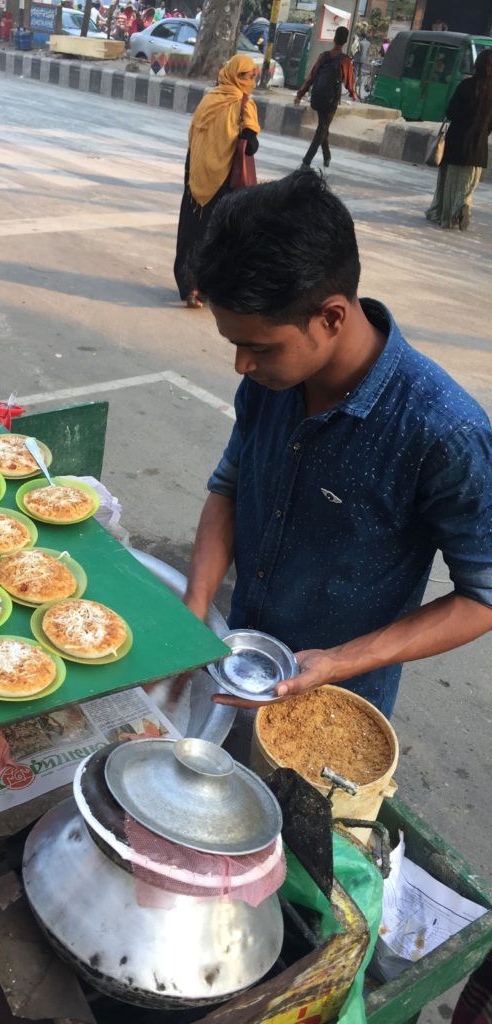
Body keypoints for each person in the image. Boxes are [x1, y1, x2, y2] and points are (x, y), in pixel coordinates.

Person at [184, 170, 492, 719]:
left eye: (258, 347)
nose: (241, 365)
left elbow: (481, 596)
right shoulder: (269, 383)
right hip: (244, 656)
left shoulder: (443, 430)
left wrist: (339, 661)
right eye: (233, 344)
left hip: (338, 698)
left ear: (330, 316)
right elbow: (229, 488)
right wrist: (196, 605)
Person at [174, 55, 260, 308]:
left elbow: (194, 139)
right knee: (220, 237)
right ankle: (207, 288)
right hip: (224, 182)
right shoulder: (244, 105)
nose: (251, 81)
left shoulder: (209, 99)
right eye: (246, 76)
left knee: (193, 233)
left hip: (196, 179)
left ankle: (191, 286)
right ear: (235, 75)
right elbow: (251, 145)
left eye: (252, 76)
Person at [426, 49, 492, 231]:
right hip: (478, 149)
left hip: (456, 144)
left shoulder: (466, 85)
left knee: (449, 184)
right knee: (466, 186)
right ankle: (463, 207)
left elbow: (450, 112)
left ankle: (446, 216)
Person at [295, 26, 357, 169]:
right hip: (331, 100)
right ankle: (306, 161)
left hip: (317, 97)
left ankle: (327, 156)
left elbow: (311, 76)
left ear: (334, 39)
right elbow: (349, 83)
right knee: (322, 128)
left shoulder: (323, 56)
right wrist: (353, 93)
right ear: (345, 41)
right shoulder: (345, 60)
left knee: (323, 127)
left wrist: (300, 94)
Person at [352, 30, 370, 96]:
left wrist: (353, 56)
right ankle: (359, 82)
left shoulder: (360, 42)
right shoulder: (368, 43)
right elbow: (367, 51)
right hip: (363, 59)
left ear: (361, 36)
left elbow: (357, 50)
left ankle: (353, 83)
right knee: (360, 71)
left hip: (357, 59)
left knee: (355, 71)